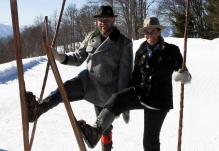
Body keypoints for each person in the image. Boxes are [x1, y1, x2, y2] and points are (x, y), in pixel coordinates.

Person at [26, 5, 133, 151]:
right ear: (97, 20)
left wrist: (120, 104)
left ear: (113, 20)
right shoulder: (91, 36)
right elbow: (77, 58)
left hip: (107, 92)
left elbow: (125, 76)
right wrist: (59, 56)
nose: (103, 22)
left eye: (107, 19)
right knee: (63, 90)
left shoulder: (124, 43)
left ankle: (106, 148)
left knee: (103, 128)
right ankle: (39, 109)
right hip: (88, 82)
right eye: (100, 19)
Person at [77, 17, 192, 151]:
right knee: (116, 98)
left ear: (159, 31)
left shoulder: (171, 50)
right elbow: (135, 77)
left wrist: (183, 74)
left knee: (149, 141)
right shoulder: (141, 51)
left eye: (153, 31)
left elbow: (181, 68)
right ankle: (96, 131)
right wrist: (124, 101)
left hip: (159, 100)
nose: (149, 35)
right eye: (147, 32)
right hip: (142, 93)